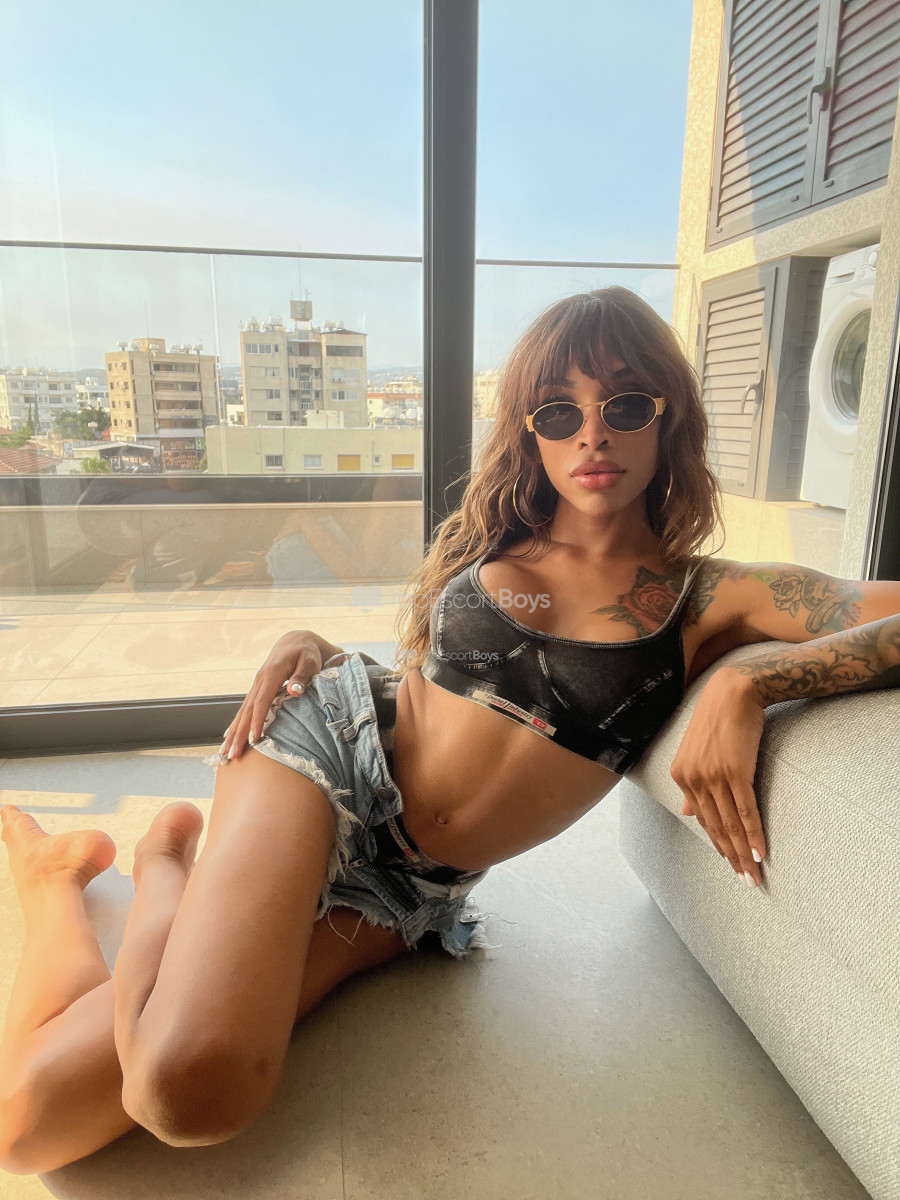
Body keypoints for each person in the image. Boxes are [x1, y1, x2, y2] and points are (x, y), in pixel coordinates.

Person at [1, 287, 898, 1175]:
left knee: (33, 1125)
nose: (593, 434)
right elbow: (423, 681)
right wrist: (312, 641)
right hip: (327, 760)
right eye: (560, 411)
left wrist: (753, 679)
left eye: (625, 404)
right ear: (531, 432)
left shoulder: (712, 596)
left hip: (405, 888)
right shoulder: (496, 538)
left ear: (669, 419)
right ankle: (164, 867)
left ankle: (53, 883)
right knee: (174, 1086)